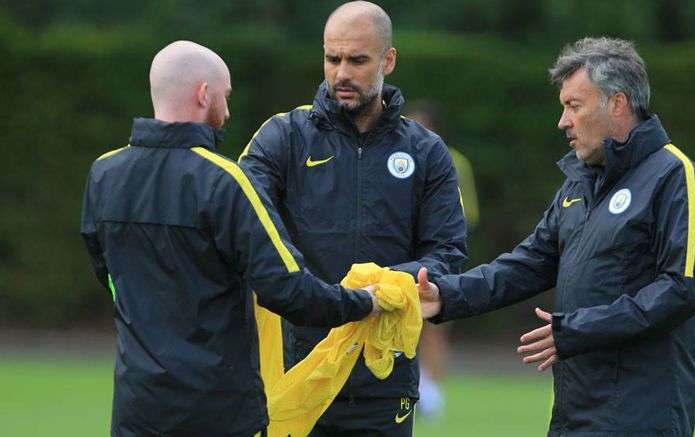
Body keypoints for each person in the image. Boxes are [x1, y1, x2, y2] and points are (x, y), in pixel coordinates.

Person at [417, 37, 695, 436]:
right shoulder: (580, 184)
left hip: (640, 417)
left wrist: (578, 330)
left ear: (617, 104)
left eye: (573, 106)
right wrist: (446, 295)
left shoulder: (676, 177)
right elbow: (528, 263)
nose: (563, 121)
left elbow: (682, 288)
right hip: (573, 414)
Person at [81, 40, 382, 437]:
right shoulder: (225, 181)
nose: (227, 110)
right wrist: (364, 302)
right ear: (204, 94)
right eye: (224, 96)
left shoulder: (104, 173)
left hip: (137, 409)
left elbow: (110, 278)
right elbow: (289, 290)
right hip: (217, 411)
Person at [238, 2, 468, 435]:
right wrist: (308, 292)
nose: (342, 73)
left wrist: (388, 286)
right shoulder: (281, 138)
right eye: (332, 58)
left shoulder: (427, 152)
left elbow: (447, 252)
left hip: (385, 379)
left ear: (388, 60)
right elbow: (245, 227)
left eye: (357, 60)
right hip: (296, 372)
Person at [407, 102, 480, 421]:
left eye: (424, 126)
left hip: (437, 259)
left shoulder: (453, 161)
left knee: (435, 326)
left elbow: (466, 214)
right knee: (403, 326)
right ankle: (409, 390)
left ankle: (433, 394)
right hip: (404, 259)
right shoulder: (398, 158)